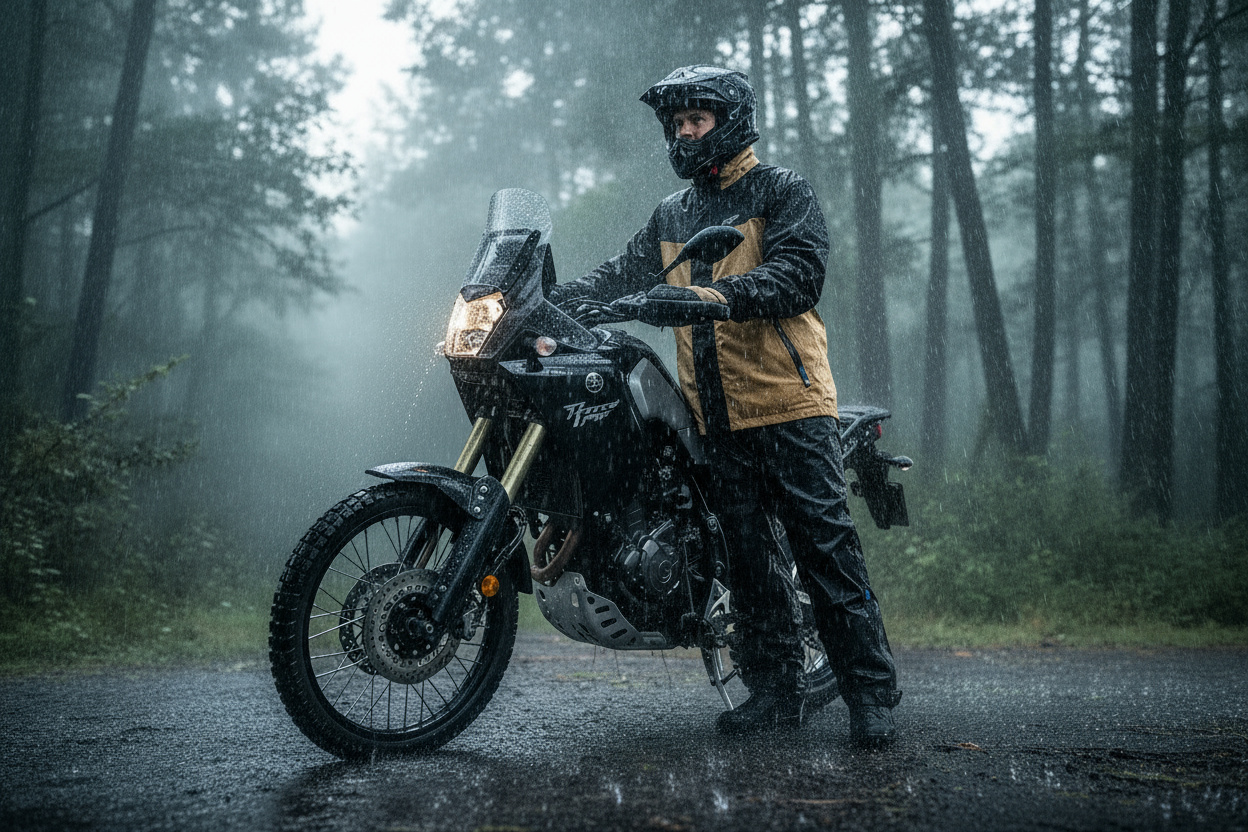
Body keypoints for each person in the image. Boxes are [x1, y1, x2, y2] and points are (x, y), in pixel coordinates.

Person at [549, 65, 900, 746]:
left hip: (790, 405)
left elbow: (797, 277)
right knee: (747, 562)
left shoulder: (780, 190)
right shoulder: (672, 214)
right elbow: (620, 275)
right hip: (715, 418)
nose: (684, 133)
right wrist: (547, 301)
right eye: (676, 123)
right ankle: (774, 693)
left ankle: (869, 697)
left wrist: (704, 298)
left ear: (730, 122)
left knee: (826, 555)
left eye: (696, 120)